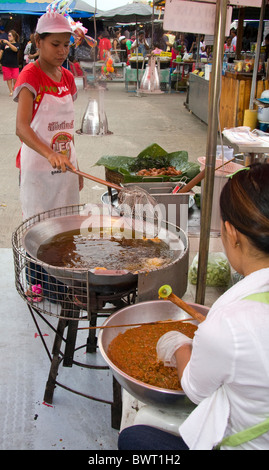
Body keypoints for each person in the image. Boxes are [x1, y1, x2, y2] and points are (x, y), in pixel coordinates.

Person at [118, 163, 269, 450]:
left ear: (231, 233)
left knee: (134, 440)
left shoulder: (229, 323)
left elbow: (195, 390)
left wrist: (178, 344)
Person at [13, 11, 83, 222]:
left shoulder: (68, 77)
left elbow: (67, 130)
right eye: (55, 44)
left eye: (66, 44)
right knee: (39, 232)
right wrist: (50, 154)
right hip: (38, 169)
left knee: (66, 230)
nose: (62, 51)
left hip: (65, 166)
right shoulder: (30, 75)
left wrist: (76, 164)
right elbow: (21, 128)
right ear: (38, 41)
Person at [0, 29, 20, 96]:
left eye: (10, 35)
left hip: (14, 64)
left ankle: (14, 88)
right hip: (5, 63)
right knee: (8, 78)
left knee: (15, 78)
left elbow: (15, 50)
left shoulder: (17, 44)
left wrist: (8, 43)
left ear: (14, 36)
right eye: (8, 35)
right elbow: (1, 52)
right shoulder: (4, 45)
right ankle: (11, 91)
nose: (9, 37)